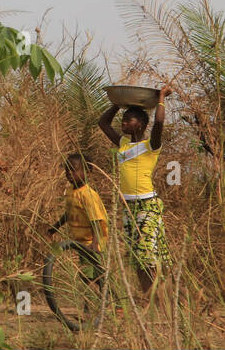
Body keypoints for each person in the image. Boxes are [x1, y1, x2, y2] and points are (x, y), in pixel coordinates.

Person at [98, 85, 172, 294]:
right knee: (137, 257)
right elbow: (103, 123)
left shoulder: (151, 146)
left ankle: (157, 297)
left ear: (141, 125)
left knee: (147, 254)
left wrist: (161, 98)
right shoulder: (123, 144)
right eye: (124, 119)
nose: (123, 123)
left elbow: (158, 122)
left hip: (147, 205)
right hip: (128, 206)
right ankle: (149, 297)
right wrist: (117, 103)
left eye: (129, 119)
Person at [48, 153, 108, 281]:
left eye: (73, 169)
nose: (69, 173)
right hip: (81, 243)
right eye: (67, 169)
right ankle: (99, 297)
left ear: (87, 171)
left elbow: (96, 221)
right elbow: (69, 212)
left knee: (88, 276)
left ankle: (97, 298)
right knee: (93, 276)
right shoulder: (70, 191)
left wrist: (95, 244)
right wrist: (55, 227)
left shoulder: (88, 195)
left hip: (92, 244)